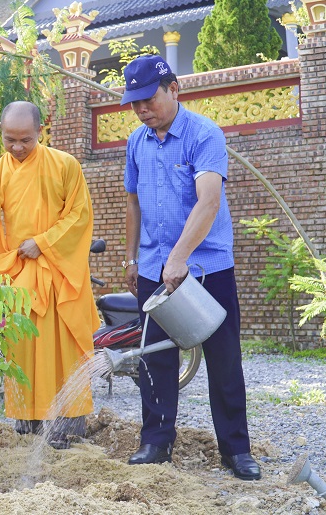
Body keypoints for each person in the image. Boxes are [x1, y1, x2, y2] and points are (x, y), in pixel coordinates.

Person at [121, 55, 260, 480]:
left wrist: (179, 257)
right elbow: (132, 199)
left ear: (173, 89)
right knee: (155, 361)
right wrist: (132, 258)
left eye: (149, 98)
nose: (142, 109)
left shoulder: (204, 135)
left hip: (206, 268)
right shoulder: (136, 142)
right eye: (134, 102)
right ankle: (156, 443)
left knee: (223, 358)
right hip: (152, 268)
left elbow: (208, 201)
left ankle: (236, 451)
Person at [0, 101, 99, 449]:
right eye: (10, 140)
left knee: (65, 351)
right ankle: (28, 422)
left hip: (60, 274)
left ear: (41, 132)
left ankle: (70, 426)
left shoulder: (65, 165)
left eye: (26, 139)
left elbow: (80, 216)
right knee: (23, 349)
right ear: (1, 136)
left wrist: (43, 242)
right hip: (20, 276)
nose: (18, 148)